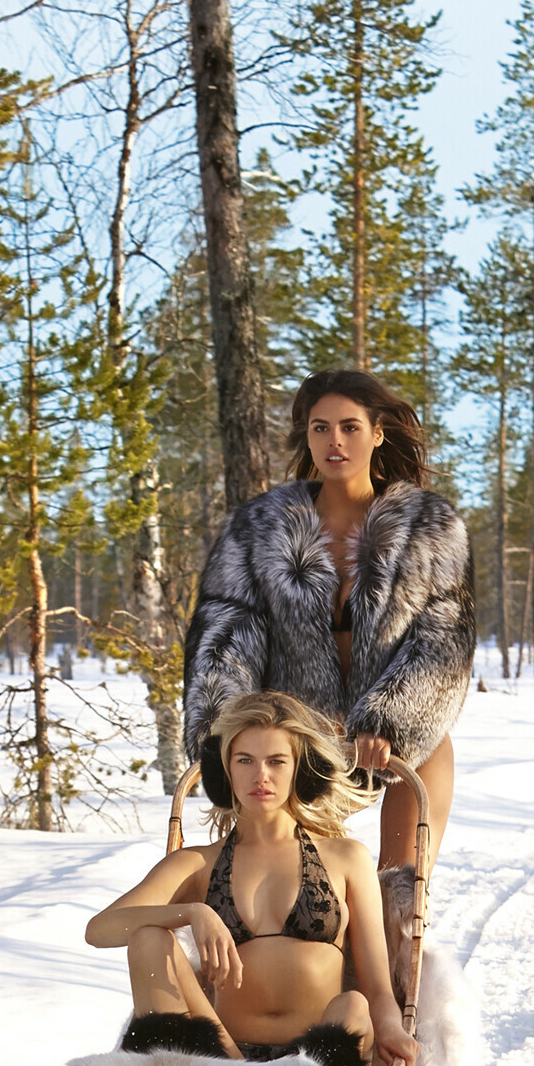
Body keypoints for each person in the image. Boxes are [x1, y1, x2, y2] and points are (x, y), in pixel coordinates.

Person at [182, 368, 475, 872]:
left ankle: (401, 897)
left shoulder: (431, 528)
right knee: (306, 888)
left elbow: (443, 640)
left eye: (349, 427)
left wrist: (389, 722)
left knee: (432, 750)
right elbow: (224, 635)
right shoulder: (257, 528)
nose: (334, 440)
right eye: (320, 428)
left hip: (383, 742)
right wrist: (222, 729)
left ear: (377, 433)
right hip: (292, 736)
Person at [85, 692, 417, 1066]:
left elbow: (377, 989)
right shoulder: (198, 864)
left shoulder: (346, 858)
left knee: (354, 1005)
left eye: (277, 761)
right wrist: (193, 913)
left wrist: (391, 1027)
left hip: (315, 1059)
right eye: (245, 760)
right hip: (226, 1060)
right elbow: (99, 930)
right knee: (148, 939)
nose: (261, 776)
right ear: (224, 769)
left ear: (300, 769)